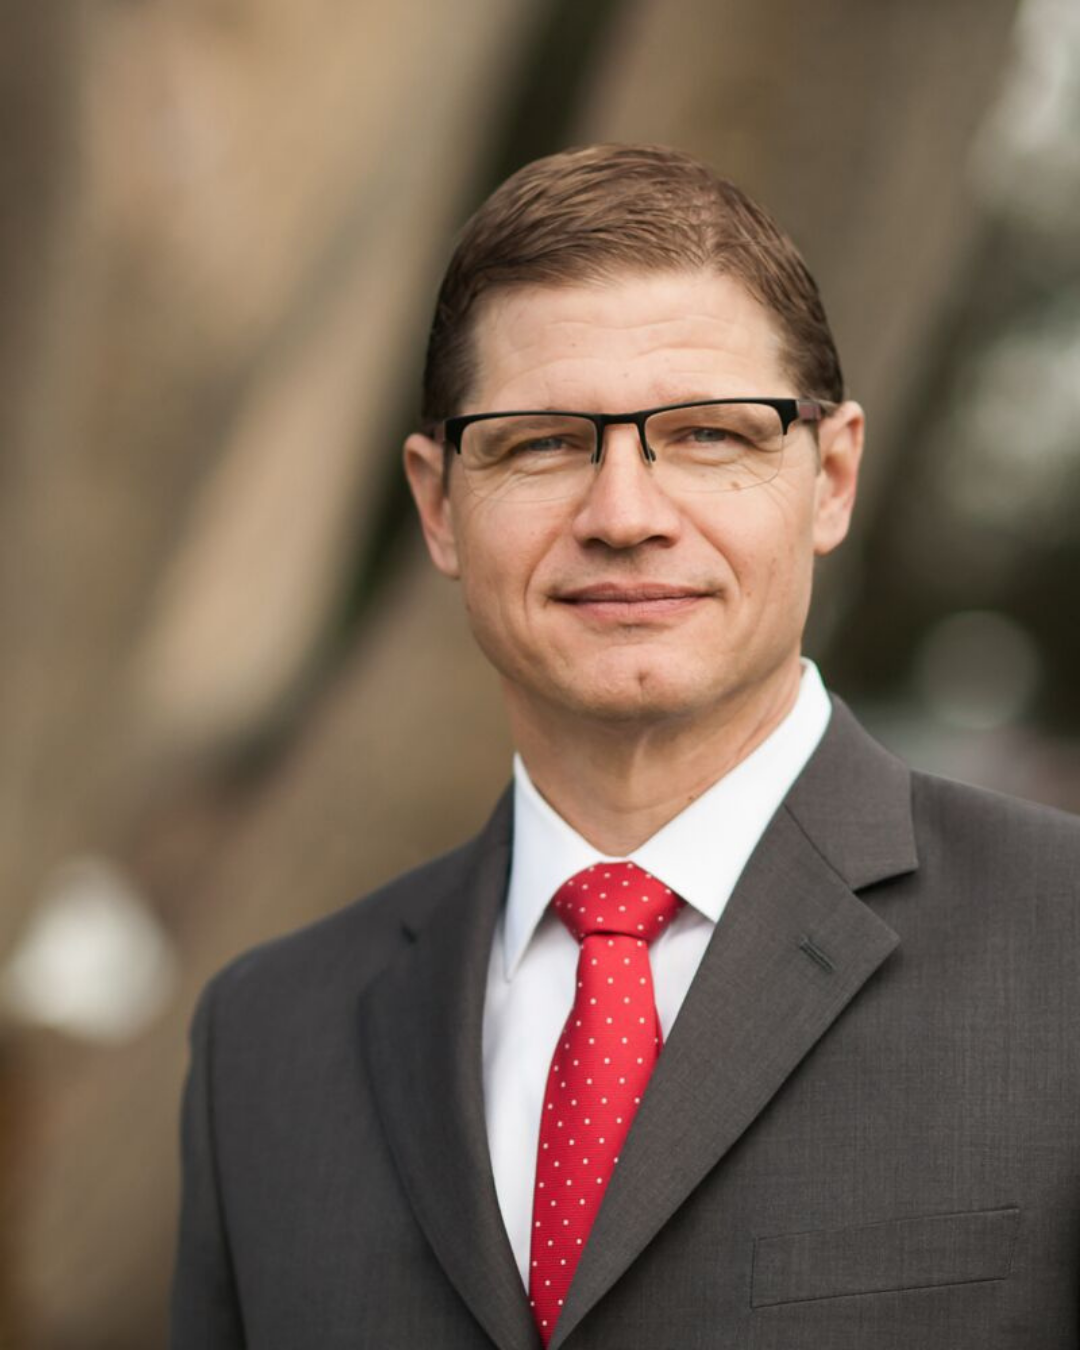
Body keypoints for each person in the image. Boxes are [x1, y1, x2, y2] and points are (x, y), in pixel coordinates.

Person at [171, 144, 1080, 1349]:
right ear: (440, 506)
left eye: (707, 435)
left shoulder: (1063, 951)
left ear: (831, 477)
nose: (624, 515)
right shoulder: (267, 1040)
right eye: (543, 443)